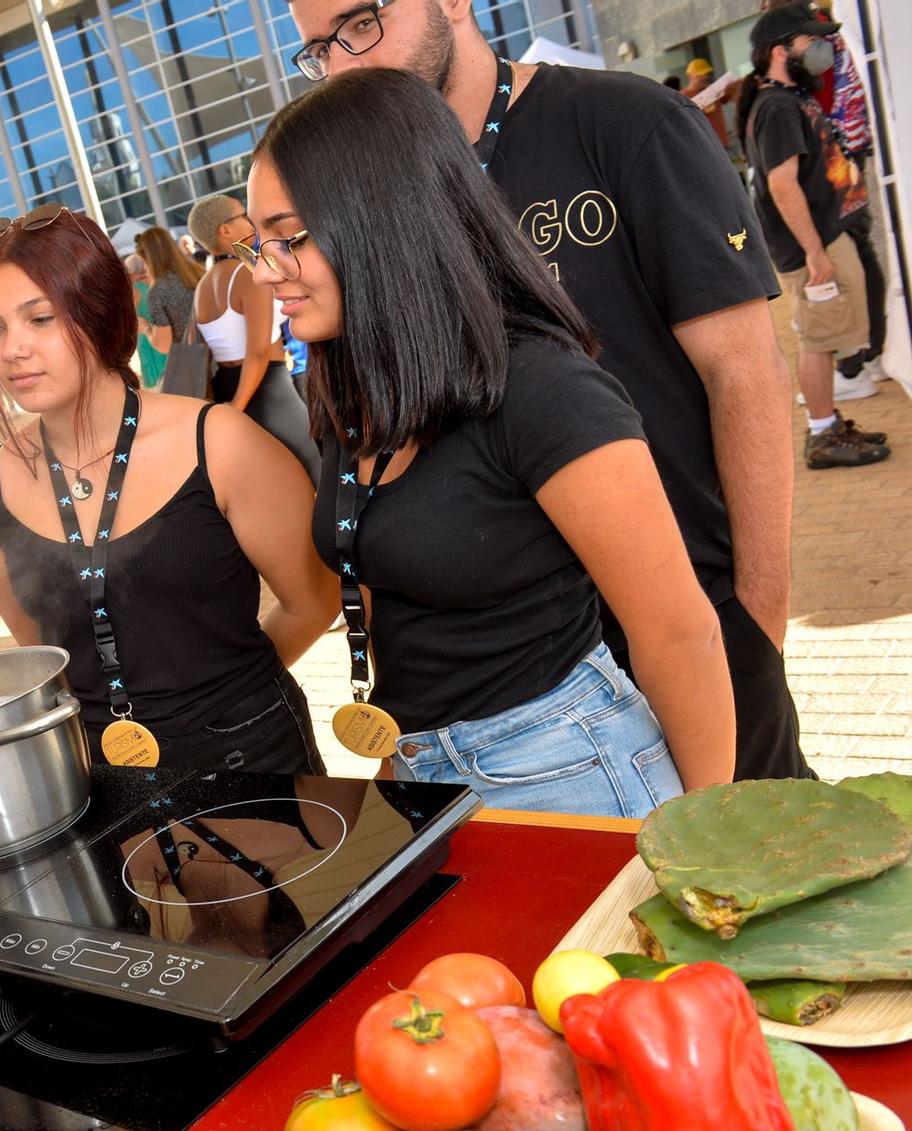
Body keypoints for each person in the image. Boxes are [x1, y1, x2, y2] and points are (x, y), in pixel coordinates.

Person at [287, 0, 815, 782]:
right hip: (519, 686)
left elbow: (744, 370)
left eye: (362, 22)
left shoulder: (626, 125)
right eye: (319, 49)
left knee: (748, 871)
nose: (343, 64)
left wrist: (757, 615)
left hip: (684, 616)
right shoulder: (363, 212)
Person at [248, 70, 733, 814]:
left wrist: (709, 846)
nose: (264, 270)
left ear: (379, 220)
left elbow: (679, 633)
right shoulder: (355, 388)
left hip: (572, 771)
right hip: (426, 778)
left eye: (288, 240)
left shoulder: (541, 389)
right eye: (258, 242)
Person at [0, 205, 338, 774]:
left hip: (252, 761)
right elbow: (42, 650)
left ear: (101, 314)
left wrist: (225, 699)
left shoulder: (220, 442)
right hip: (100, 781)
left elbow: (315, 600)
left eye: (40, 319)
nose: (13, 348)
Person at [739, 4, 890, 468]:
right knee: (818, 340)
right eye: (812, 41)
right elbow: (782, 185)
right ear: (781, 50)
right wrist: (814, 253)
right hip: (813, 245)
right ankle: (821, 435)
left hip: (824, 237)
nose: (823, 48)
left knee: (825, 336)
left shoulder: (790, 97)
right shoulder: (777, 107)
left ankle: (828, 423)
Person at [185, 193, 318, 481]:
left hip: (228, 391)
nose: (251, 220)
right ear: (224, 230)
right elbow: (257, 351)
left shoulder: (203, 286)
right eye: (243, 216)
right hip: (267, 393)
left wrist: (228, 411)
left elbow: (204, 352)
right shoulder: (247, 275)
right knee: (317, 475)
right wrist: (236, 411)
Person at [134, 226, 200, 361]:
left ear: (148, 259)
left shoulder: (157, 292)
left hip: (194, 364)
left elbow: (164, 345)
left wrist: (146, 328)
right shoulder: (199, 273)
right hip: (224, 356)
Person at [126, 254, 165, 389]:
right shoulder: (153, 283)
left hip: (142, 333)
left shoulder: (131, 290)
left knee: (149, 361)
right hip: (158, 330)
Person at [683, 58, 733, 149]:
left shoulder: (713, 90)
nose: (704, 77)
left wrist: (730, 89)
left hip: (723, 143)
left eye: (706, 74)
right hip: (706, 147)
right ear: (690, 76)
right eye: (700, 75)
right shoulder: (683, 97)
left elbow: (727, 99)